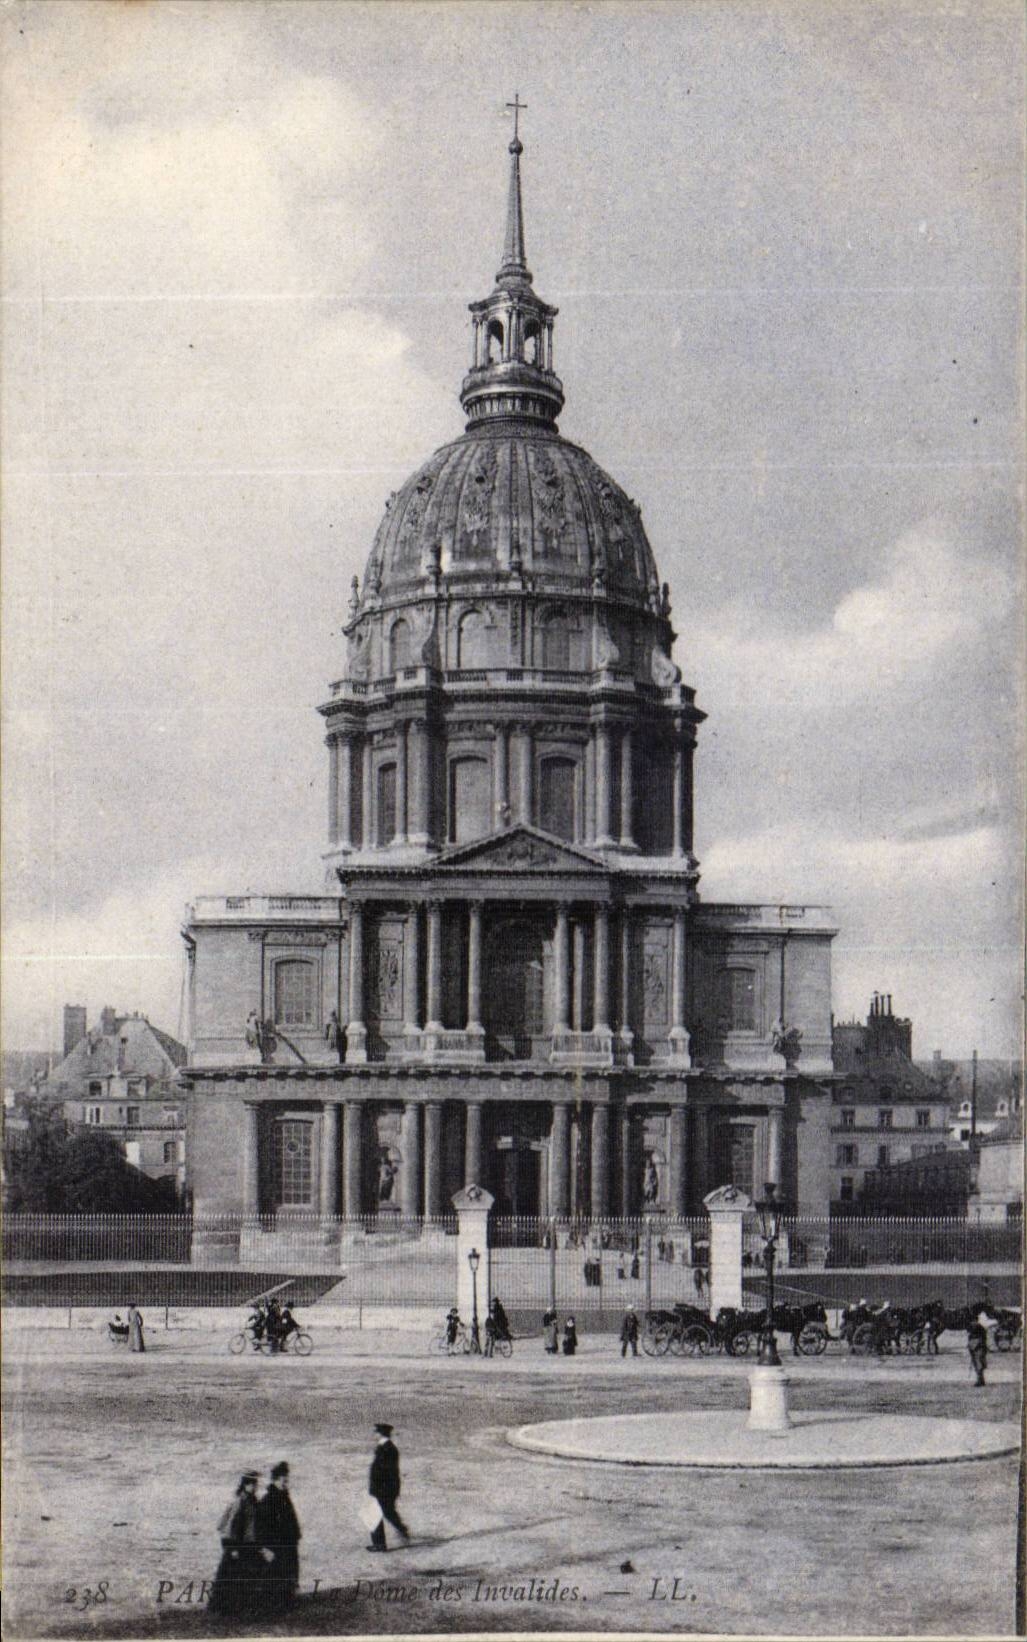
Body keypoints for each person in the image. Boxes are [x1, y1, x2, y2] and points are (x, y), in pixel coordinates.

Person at [209, 1472, 265, 1615]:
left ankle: (243, 1607)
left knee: (246, 1577)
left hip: (248, 1545)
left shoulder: (252, 1501)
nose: (254, 1487)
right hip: (239, 1546)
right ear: (245, 1485)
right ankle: (226, 1608)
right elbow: (230, 1526)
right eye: (251, 1484)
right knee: (234, 1577)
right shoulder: (240, 1501)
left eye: (255, 1484)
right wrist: (232, 1548)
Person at [256, 1461, 301, 1609]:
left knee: (288, 1572)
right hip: (278, 1545)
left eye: (286, 1480)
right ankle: (278, 1603)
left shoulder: (282, 1496)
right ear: (275, 1480)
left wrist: (295, 1536)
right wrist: (266, 1547)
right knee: (278, 1574)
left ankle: (287, 1601)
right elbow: (263, 1526)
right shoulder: (269, 1500)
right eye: (283, 1480)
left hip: (288, 1543)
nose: (286, 1483)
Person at [368, 1423, 410, 1552]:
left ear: (380, 1433)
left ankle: (379, 1544)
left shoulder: (386, 1448)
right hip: (386, 1488)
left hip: (384, 1488)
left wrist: (377, 1489)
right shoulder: (386, 1447)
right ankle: (401, 1529)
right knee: (387, 1512)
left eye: (375, 1432)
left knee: (374, 1514)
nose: (373, 1434)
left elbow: (385, 1471)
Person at [967, 1315, 989, 1386]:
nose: (973, 1322)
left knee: (979, 1364)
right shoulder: (971, 1327)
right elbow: (970, 1337)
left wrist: (975, 1345)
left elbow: (983, 1339)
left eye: (974, 1321)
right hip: (974, 1348)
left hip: (979, 1348)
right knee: (976, 1364)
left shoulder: (980, 1328)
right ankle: (980, 1380)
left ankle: (980, 1380)